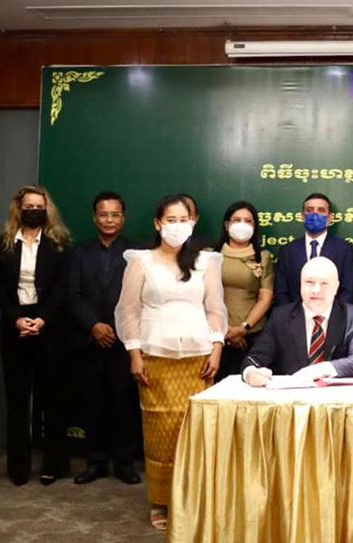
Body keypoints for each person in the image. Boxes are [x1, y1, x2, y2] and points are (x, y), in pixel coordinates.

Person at [115, 195, 226, 530]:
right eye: (171, 220)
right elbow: (128, 311)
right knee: (161, 431)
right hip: (155, 355)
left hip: (198, 356)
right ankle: (161, 501)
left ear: (192, 223)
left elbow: (215, 308)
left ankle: (191, 498)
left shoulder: (206, 262)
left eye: (184, 220)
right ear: (158, 224)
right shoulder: (141, 261)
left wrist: (217, 347)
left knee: (194, 428)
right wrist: (134, 353)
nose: (178, 226)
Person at [0, 185, 72, 486]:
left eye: (39, 206)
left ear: (46, 209)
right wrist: (17, 319)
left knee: (51, 398)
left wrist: (42, 319)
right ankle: (18, 466)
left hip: (49, 326)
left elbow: (62, 288)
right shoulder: (2, 244)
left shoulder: (59, 243)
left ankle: (54, 463)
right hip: (15, 325)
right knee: (16, 398)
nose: (34, 210)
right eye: (29, 206)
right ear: (19, 208)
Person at [68, 191, 140, 485]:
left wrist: (116, 327)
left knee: (124, 403)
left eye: (115, 214)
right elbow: (73, 294)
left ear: (123, 218)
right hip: (90, 340)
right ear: (94, 217)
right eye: (103, 214)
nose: (109, 220)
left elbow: (140, 298)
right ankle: (95, 462)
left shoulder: (136, 253)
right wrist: (94, 325)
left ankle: (124, 462)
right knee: (93, 403)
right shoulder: (80, 252)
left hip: (124, 341)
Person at [242, 257, 353, 386]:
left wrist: (321, 370)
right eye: (309, 282)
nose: (315, 290)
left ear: (336, 287)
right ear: (300, 284)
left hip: (335, 400)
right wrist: (250, 373)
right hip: (290, 399)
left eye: (324, 283)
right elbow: (253, 360)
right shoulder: (281, 317)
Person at [217, 201, 274, 380]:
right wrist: (225, 330)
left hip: (253, 335)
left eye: (248, 221)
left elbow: (265, 298)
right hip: (217, 335)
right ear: (227, 224)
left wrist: (243, 328)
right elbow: (203, 297)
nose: (242, 224)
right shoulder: (210, 255)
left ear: (255, 226)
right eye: (236, 220)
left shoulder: (262, 257)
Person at [273, 193, 353, 306]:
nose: (315, 214)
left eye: (321, 210)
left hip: (334, 319)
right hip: (294, 319)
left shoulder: (344, 250)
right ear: (302, 216)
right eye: (310, 210)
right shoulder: (287, 251)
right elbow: (281, 292)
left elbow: (349, 291)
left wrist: (329, 317)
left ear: (330, 218)